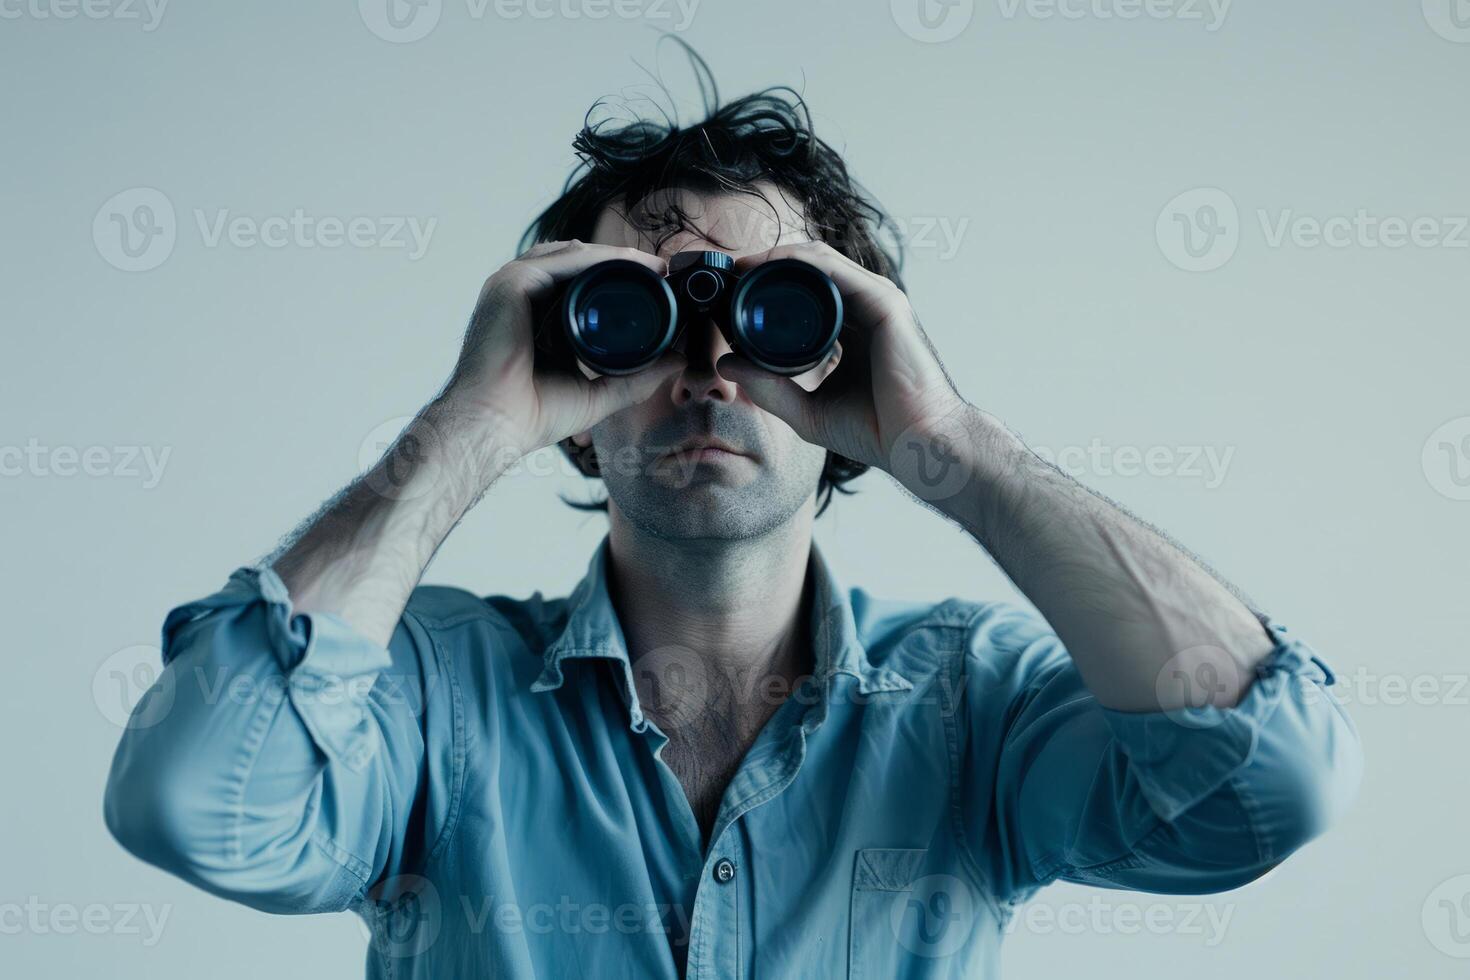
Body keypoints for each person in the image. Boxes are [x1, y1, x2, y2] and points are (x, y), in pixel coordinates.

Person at [103, 61, 1362, 980]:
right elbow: (190, 795)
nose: (707, 370)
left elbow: (1267, 776)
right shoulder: (435, 692)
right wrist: (471, 424)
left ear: (851, 359)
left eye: (774, 315)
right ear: (571, 395)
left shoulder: (970, 698)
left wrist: (948, 443)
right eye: (636, 320)